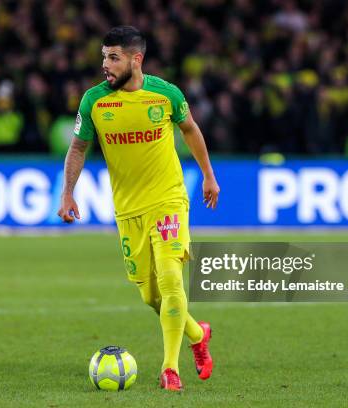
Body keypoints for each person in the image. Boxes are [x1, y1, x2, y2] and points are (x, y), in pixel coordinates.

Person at [57, 26, 220, 391]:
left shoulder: (166, 94)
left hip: (168, 200)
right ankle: (197, 332)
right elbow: (78, 148)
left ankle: (170, 369)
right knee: (150, 296)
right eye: (103, 57)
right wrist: (68, 192)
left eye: (113, 58)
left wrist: (208, 175)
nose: (105, 65)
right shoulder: (94, 102)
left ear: (136, 59)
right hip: (128, 210)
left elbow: (190, 130)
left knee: (171, 277)